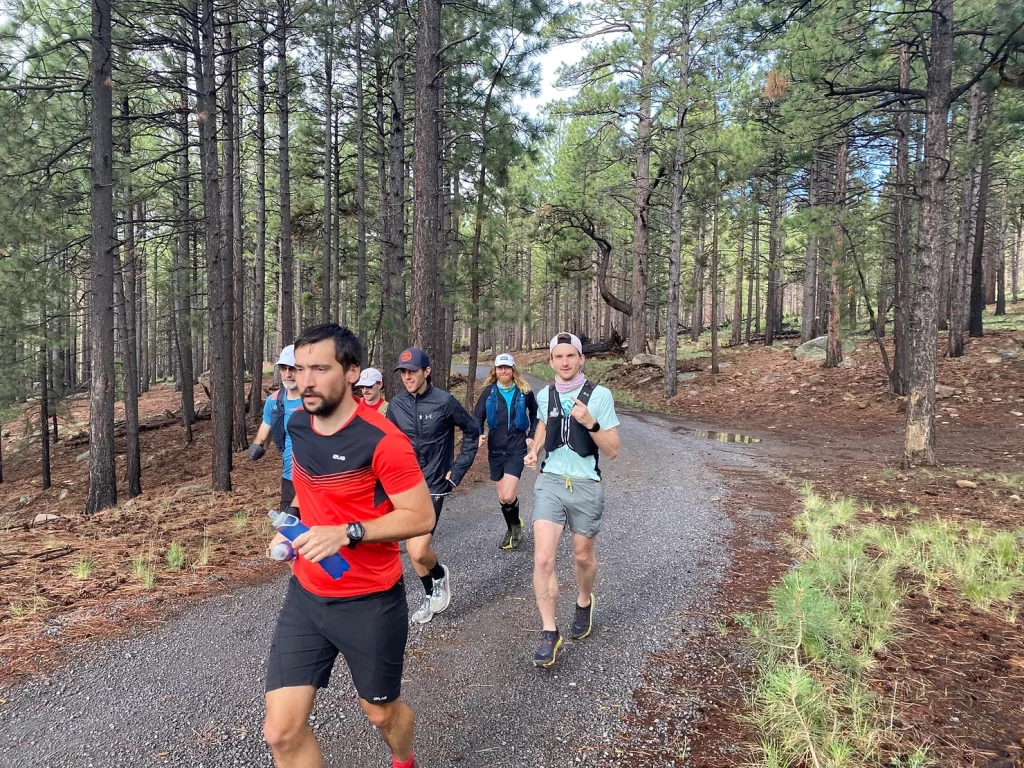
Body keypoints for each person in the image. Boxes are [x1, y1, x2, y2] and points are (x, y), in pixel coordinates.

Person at [263, 323, 435, 768]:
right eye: (299, 369)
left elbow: (421, 517)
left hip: (370, 602)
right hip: (307, 597)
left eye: (320, 368)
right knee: (280, 733)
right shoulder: (299, 421)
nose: (306, 381)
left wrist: (346, 532)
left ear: (353, 371)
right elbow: (307, 488)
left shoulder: (383, 440)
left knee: (380, 713)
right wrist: (293, 526)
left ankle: (404, 760)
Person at [524, 332, 620, 668]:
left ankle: (583, 600)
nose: (564, 362)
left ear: (581, 359)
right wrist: (535, 448)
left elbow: (612, 449)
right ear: (550, 361)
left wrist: (589, 422)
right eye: (558, 357)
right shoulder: (545, 394)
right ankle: (550, 632)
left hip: (585, 485)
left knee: (582, 556)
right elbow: (541, 425)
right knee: (543, 560)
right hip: (550, 482)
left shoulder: (600, 396)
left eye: (570, 356)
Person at [387, 347, 480, 625]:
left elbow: (473, 430)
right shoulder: (396, 405)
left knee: (417, 551)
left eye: (412, 371)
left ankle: (438, 574)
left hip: (434, 484)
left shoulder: (445, 401)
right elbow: (386, 444)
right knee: (414, 551)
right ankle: (432, 590)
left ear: (426, 372)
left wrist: (458, 469)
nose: (407, 377)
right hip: (404, 486)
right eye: (403, 372)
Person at [472, 352, 538, 550]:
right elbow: (477, 416)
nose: (503, 371)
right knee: (502, 498)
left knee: (508, 496)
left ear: (512, 369)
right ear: (495, 370)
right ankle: (511, 527)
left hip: (516, 448)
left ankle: (516, 526)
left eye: (507, 368)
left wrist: (532, 434)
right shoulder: (489, 392)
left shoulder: (524, 391)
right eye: (500, 368)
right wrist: (478, 433)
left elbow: (536, 414)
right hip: (496, 449)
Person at [249, 345, 304, 511]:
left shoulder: (314, 400)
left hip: (316, 479)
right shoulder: (274, 401)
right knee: (288, 529)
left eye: (292, 368)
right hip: (289, 477)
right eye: (283, 368)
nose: (287, 374)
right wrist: (257, 447)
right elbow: (263, 437)